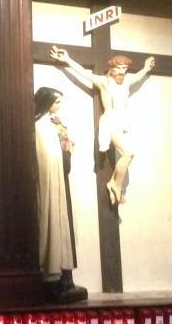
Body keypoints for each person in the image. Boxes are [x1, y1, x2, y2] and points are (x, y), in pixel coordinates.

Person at [50, 46, 155, 205]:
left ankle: (113, 182)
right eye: (119, 68)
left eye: (125, 69)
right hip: (111, 121)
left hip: (123, 122)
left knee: (129, 154)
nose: (122, 72)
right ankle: (116, 185)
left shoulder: (126, 82)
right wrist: (67, 60)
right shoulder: (104, 82)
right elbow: (83, 73)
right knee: (129, 153)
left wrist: (146, 67)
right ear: (111, 68)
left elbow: (139, 76)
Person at [34, 87, 87, 303]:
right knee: (53, 224)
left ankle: (66, 280)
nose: (59, 106)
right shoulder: (39, 126)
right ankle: (53, 280)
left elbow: (59, 158)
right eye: (56, 101)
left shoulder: (53, 124)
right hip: (50, 182)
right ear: (46, 102)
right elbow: (46, 156)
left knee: (64, 225)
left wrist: (66, 149)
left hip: (60, 182)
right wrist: (62, 151)